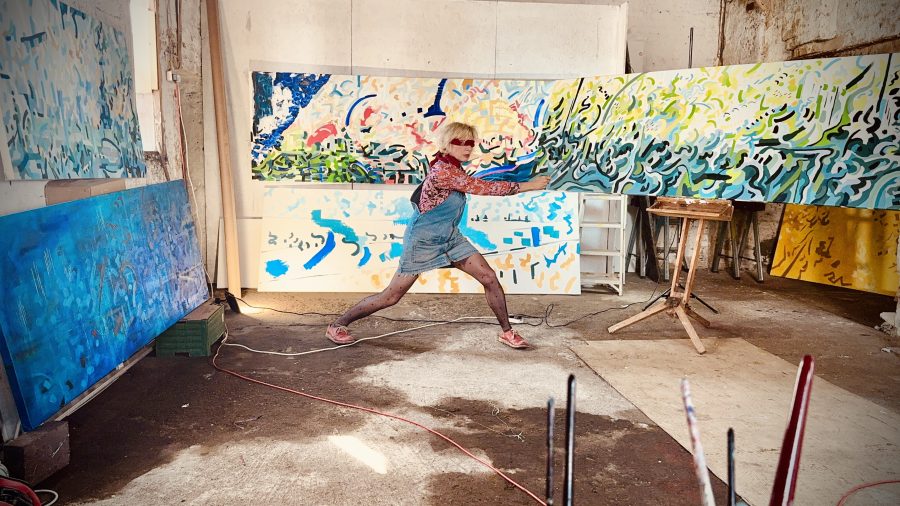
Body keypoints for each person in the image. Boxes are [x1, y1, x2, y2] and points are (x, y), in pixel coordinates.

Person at [326, 122, 550, 349]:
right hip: (422, 241)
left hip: (450, 238)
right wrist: (528, 185)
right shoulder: (443, 170)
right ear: (446, 144)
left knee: (488, 278)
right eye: (459, 142)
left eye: (470, 143)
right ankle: (338, 324)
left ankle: (508, 332)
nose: (466, 148)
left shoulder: (454, 168)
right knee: (390, 297)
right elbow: (481, 187)